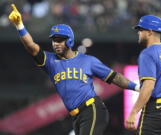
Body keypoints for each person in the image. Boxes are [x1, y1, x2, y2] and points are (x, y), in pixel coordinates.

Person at [8, 4, 140, 135]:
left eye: (60, 40)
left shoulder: (88, 61)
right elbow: (31, 47)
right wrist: (20, 26)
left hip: (92, 109)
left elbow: (114, 77)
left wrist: (136, 87)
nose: (56, 43)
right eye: (54, 40)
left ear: (70, 41)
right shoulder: (51, 61)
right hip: (75, 116)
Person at [126, 15, 161, 135]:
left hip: (156, 110)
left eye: (141, 30)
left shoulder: (147, 53)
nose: (139, 33)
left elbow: (149, 86)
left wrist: (134, 111)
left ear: (149, 32)